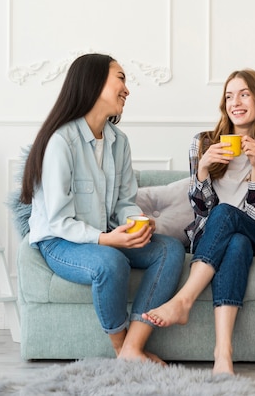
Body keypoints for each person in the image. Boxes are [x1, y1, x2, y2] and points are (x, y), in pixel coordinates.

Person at [19, 53, 185, 363]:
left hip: (104, 235)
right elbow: (58, 220)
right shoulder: (61, 141)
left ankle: (134, 346)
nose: (127, 89)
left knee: (169, 250)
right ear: (93, 83)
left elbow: (124, 202)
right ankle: (121, 348)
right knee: (111, 262)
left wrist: (137, 223)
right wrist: (108, 239)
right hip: (60, 241)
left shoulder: (118, 141)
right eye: (121, 78)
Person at [142, 69, 255, 374]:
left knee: (231, 219)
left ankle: (183, 300)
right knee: (234, 242)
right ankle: (223, 355)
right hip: (213, 234)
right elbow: (200, 207)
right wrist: (204, 170)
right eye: (229, 95)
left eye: (244, 94)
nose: (236, 101)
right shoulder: (203, 142)